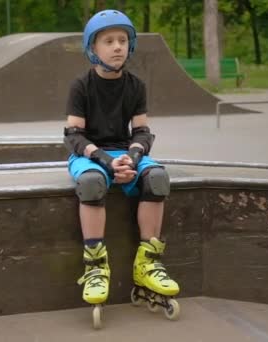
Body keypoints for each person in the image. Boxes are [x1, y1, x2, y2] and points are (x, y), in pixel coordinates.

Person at [63, 9, 180, 316]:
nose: (117, 46)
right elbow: (74, 135)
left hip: (124, 153)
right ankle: (95, 266)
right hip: (88, 153)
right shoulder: (81, 85)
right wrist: (104, 161)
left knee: (157, 178)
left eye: (123, 40)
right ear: (93, 48)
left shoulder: (135, 86)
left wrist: (134, 157)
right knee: (91, 183)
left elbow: (141, 131)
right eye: (109, 41)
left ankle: (148, 262)